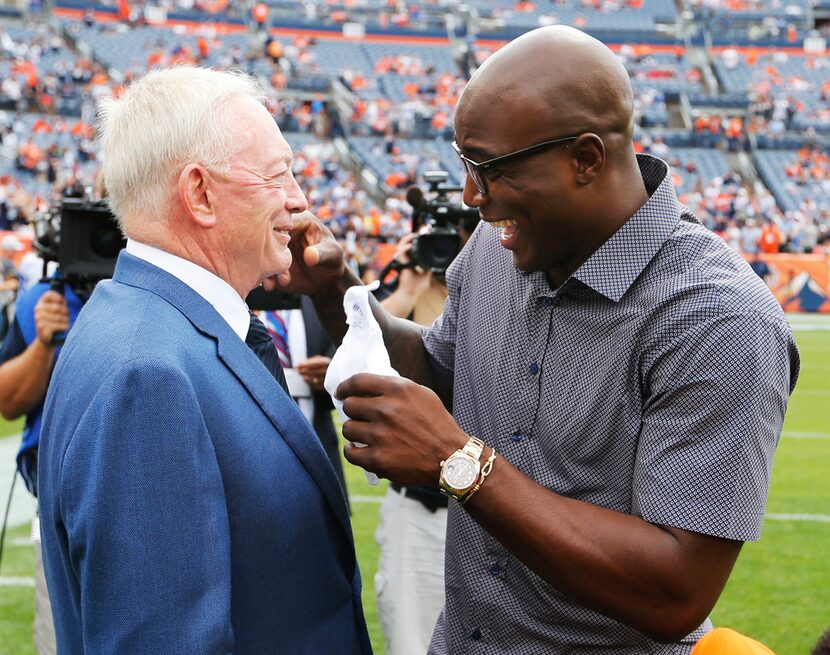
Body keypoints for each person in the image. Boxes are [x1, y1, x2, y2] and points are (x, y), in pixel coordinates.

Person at [277, 26, 800, 653]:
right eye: (467, 166)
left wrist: (459, 462)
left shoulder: (718, 319)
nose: (474, 197)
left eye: (491, 170)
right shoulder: (504, 248)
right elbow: (444, 373)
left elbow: (675, 590)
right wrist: (338, 290)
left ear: (585, 159)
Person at [37, 67, 372, 655]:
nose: (298, 199)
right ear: (199, 194)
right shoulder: (148, 375)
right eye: (277, 174)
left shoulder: (148, 324)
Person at [0, 279, 83, 655]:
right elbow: (8, 401)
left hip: (146, 493)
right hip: (50, 499)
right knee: (56, 633)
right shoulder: (46, 296)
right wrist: (43, 344)